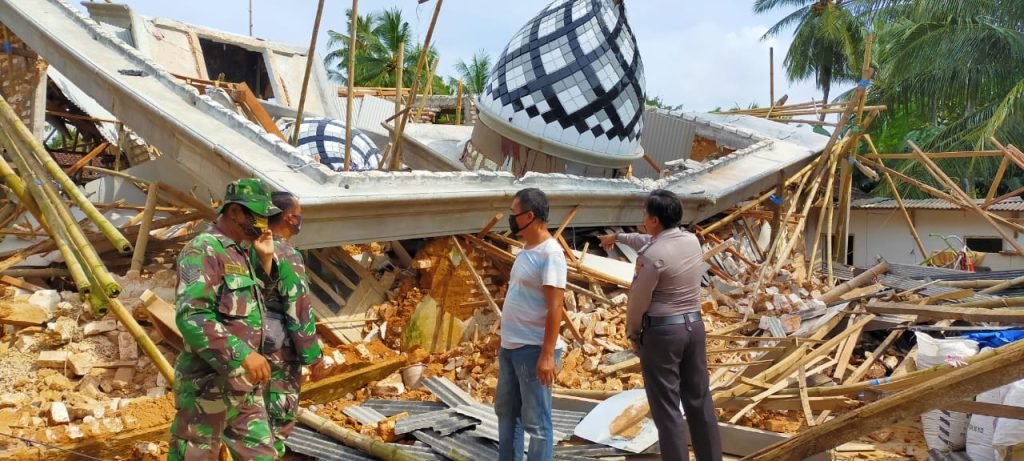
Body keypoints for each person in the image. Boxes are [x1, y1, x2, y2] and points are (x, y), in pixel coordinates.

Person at [599, 189, 722, 461]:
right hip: (694, 327)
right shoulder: (691, 241)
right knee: (700, 401)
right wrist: (618, 237)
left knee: (667, 410)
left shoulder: (651, 257)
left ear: (654, 220)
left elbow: (638, 301)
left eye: (645, 215)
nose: (642, 219)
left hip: (664, 334)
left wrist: (633, 334)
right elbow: (648, 241)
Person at [169, 178, 280, 461]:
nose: (264, 224)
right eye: (259, 216)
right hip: (207, 387)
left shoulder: (240, 252)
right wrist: (243, 354)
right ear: (235, 212)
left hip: (243, 386)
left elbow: (252, 308)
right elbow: (192, 316)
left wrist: (265, 260)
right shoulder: (203, 249)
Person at [495, 187, 567, 461]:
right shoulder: (527, 250)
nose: (511, 218)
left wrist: (547, 355)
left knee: (537, 424)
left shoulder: (551, 255)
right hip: (511, 347)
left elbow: (555, 307)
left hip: (533, 349)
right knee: (507, 412)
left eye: (514, 213)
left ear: (530, 216)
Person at [256, 191, 323, 457]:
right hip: (277, 351)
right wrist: (313, 356)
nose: (299, 221)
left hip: (246, 345)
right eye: (298, 215)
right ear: (288, 217)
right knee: (277, 420)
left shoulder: (247, 248)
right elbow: (298, 308)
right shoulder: (285, 253)